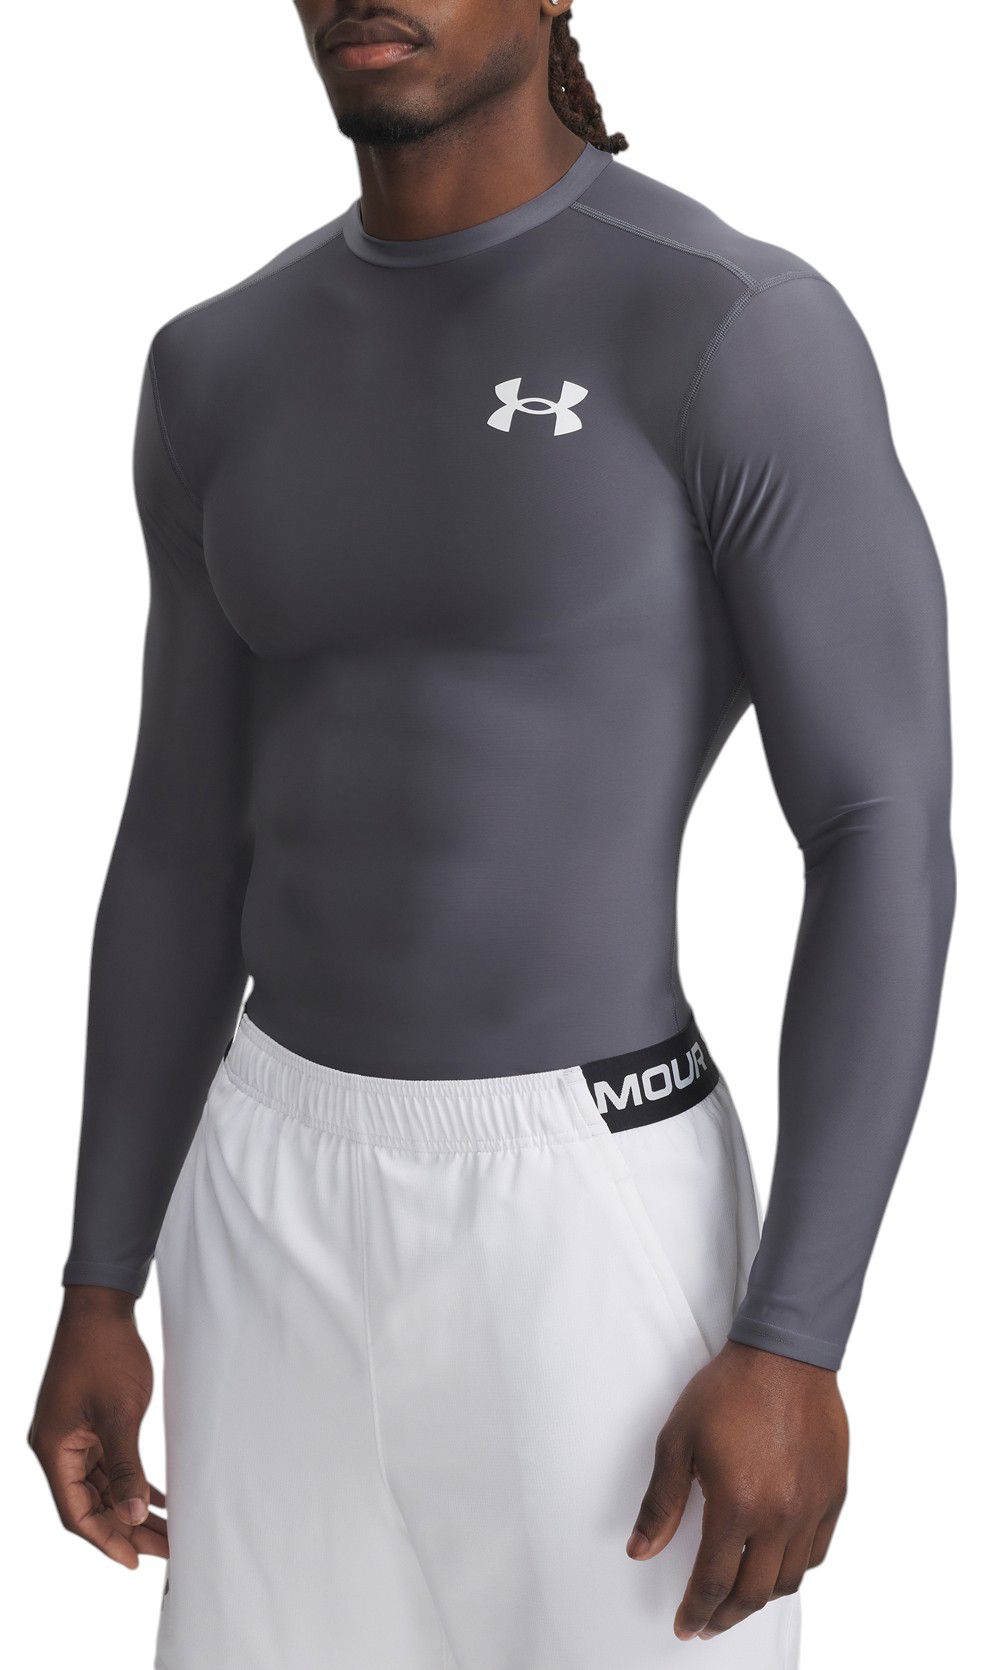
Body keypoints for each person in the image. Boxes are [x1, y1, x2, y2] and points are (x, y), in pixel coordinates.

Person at [29, 3, 955, 1666]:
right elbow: (178, 837)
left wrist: (799, 1332)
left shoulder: (730, 329)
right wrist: (101, 1277)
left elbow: (879, 824)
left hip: (588, 1203)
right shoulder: (216, 365)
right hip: (264, 1185)